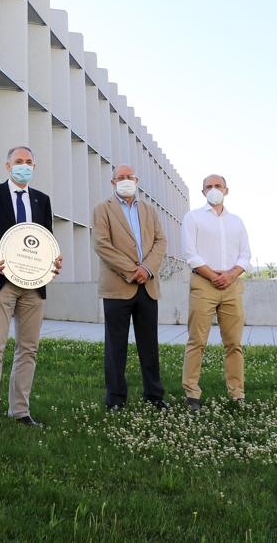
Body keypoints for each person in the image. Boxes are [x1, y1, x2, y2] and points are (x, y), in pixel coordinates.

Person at [0, 146, 62, 432]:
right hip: (1, 282)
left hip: (34, 286)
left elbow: (46, 240)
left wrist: (53, 261)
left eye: (29, 162)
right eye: (19, 161)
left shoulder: (41, 200)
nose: (24, 166)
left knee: (28, 349)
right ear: (7, 166)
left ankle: (20, 410)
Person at [92, 164, 168, 411]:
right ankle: (115, 399)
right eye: (120, 178)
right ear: (113, 182)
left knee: (150, 345)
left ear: (137, 180)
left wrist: (146, 269)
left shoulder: (149, 210)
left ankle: (154, 396)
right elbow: (102, 245)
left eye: (130, 177)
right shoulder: (103, 209)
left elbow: (160, 241)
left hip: (147, 287)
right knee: (116, 347)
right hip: (117, 287)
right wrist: (131, 270)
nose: (125, 181)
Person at [181, 174, 250, 410]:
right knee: (197, 341)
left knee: (234, 344)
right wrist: (213, 276)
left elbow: (245, 255)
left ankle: (237, 393)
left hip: (231, 284)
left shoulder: (237, 222)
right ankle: (192, 394)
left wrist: (230, 275)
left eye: (217, 186)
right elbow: (190, 254)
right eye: (208, 187)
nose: (213, 189)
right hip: (203, 283)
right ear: (202, 193)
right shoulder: (193, 218)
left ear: (226, 190)